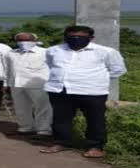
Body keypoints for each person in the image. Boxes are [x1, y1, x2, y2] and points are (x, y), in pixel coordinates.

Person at [41, 25, 127, 158]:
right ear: (65, 37)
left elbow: (118, 70)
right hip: (60, 90)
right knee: (61, 119)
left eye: (81, 37)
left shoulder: (106, 52)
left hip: (92, 91)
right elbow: (50, 65)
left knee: (95, 120)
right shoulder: (54, 50)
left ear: (91, 38)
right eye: (71, 37)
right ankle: (61, 142)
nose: (75, 39)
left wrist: (93, 79)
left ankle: (95, 146)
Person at [4, 32, 52, 137]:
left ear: (35, 41)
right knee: (20, 107)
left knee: (42, 107)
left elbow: (54, 67)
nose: (23, 42)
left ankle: (44, 130)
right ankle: (25, 128)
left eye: (27, 40)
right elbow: (7, 69)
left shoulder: (46, 52)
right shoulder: (11, 53)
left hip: (38, 84)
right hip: (16, 84)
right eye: (20, 40)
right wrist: (5, 83)